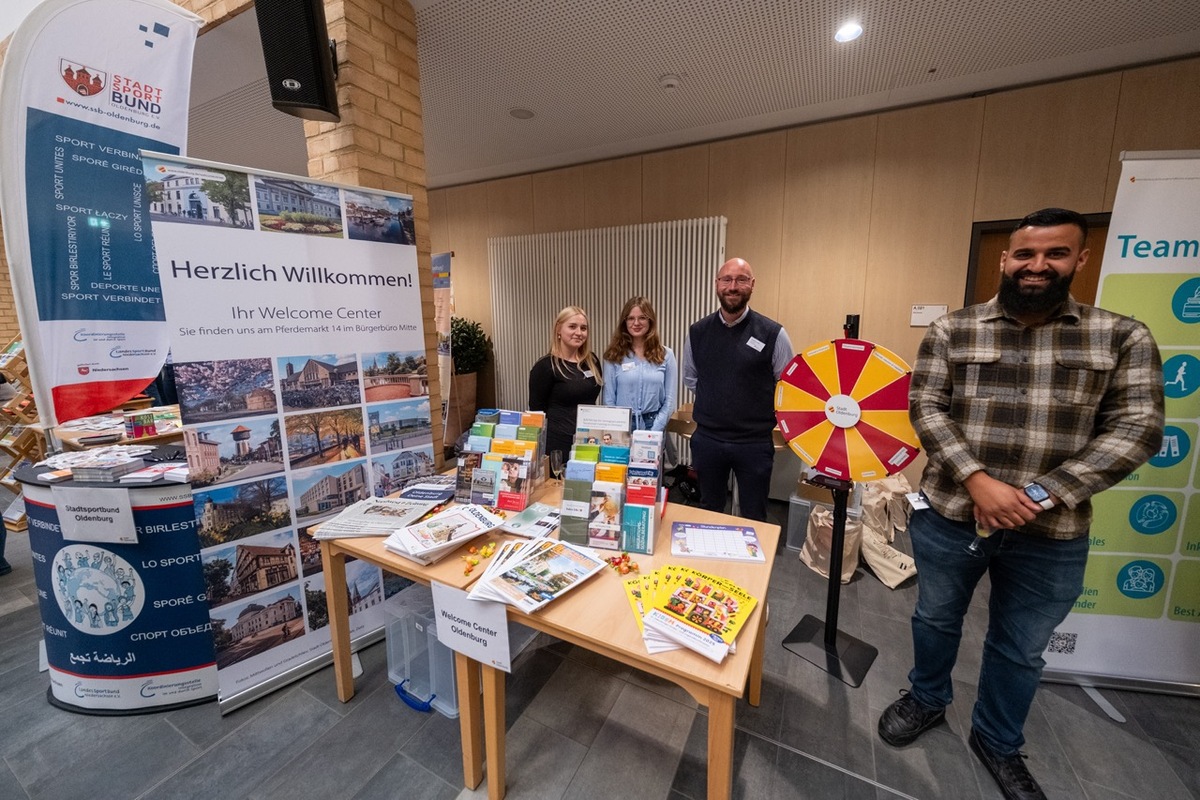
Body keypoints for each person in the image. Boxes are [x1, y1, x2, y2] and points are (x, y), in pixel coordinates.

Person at [878, 208, 1164, 800]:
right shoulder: (954, 330)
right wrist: (978, 481)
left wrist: (1038, 494)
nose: (1038, 266)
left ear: (1079, 260)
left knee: (1021, 647)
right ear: (1006, 258)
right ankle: (928, 699)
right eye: (1025, 254)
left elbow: (1137, 429)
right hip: (952, 515)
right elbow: (926, 407)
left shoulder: (1121, 335)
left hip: (1053, 531)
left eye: (1055, 254)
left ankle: (997, 741)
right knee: (934, 618)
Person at [682, 258, 793, 522]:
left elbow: (787, 385)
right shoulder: (697, 332)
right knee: (709, 511)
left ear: (752, 285)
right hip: (708, 439)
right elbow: (691, 378)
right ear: (717, 285)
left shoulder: (773, 334)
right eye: (727, 280)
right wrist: (720, 398)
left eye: (741, 279)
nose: (733, 286)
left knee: (754, 515)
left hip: (753, 443)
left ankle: (751, 565)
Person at [529, 306, 603, 460]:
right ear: (558, 329)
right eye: (572, 326)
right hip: (557, 444)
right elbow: (537, 412)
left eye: (583, 328)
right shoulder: (545, 366)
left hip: (588, 441)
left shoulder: (592, 361)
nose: (579, 332)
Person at [602, 296, 678, 433]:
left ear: (650, 321)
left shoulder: (666, 355)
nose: (636, 323)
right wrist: (618, 430)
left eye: (642, 318)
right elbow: (608, 400)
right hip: (622, 425)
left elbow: (670, 400)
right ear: (624, 322)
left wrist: (655, 430)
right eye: (631, 318)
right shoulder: (613, 356)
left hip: (654, 423)